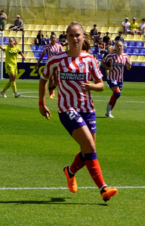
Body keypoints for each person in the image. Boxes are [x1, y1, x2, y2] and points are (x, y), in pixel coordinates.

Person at [39, 21, 118, 203]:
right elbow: (43, 79)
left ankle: (70, 171)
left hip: (88, 110)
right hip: (67, 109)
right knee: (89, 146)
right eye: (71, 35)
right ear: (66, 38)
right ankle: (103, 189)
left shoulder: (89, 60)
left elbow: (101, 85)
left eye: (78, 35)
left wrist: (92, 86)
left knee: (88, 149)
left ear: (84, 37)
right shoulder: (56, 60)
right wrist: (41, 103)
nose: (75, 38)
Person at [102, 40, 131, 118]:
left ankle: (108, 112)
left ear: (123, 47)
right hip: (112, 77)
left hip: (120, 79)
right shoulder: (111, 55)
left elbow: (128, 68)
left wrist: (129, 65)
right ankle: (108, 110)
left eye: (120, 46)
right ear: (115, 47)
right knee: (117, 93)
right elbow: (103, 62)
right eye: (117, 46)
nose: (119, 47)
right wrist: (108, 68)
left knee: (116, 96)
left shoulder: (125, 56)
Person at [38, 33, 64, 99]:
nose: (53, 39)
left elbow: (62, 55)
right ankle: (51, 93)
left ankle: (52, 89)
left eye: (54, 38)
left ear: (56, 39)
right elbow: (43, 54)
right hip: (50, 64)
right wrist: (38, 63)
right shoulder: (47, 47)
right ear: (50, 39)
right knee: (51, 79)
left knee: (57, 81)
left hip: (57, 65)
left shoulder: (59, 46)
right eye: (52, 37)